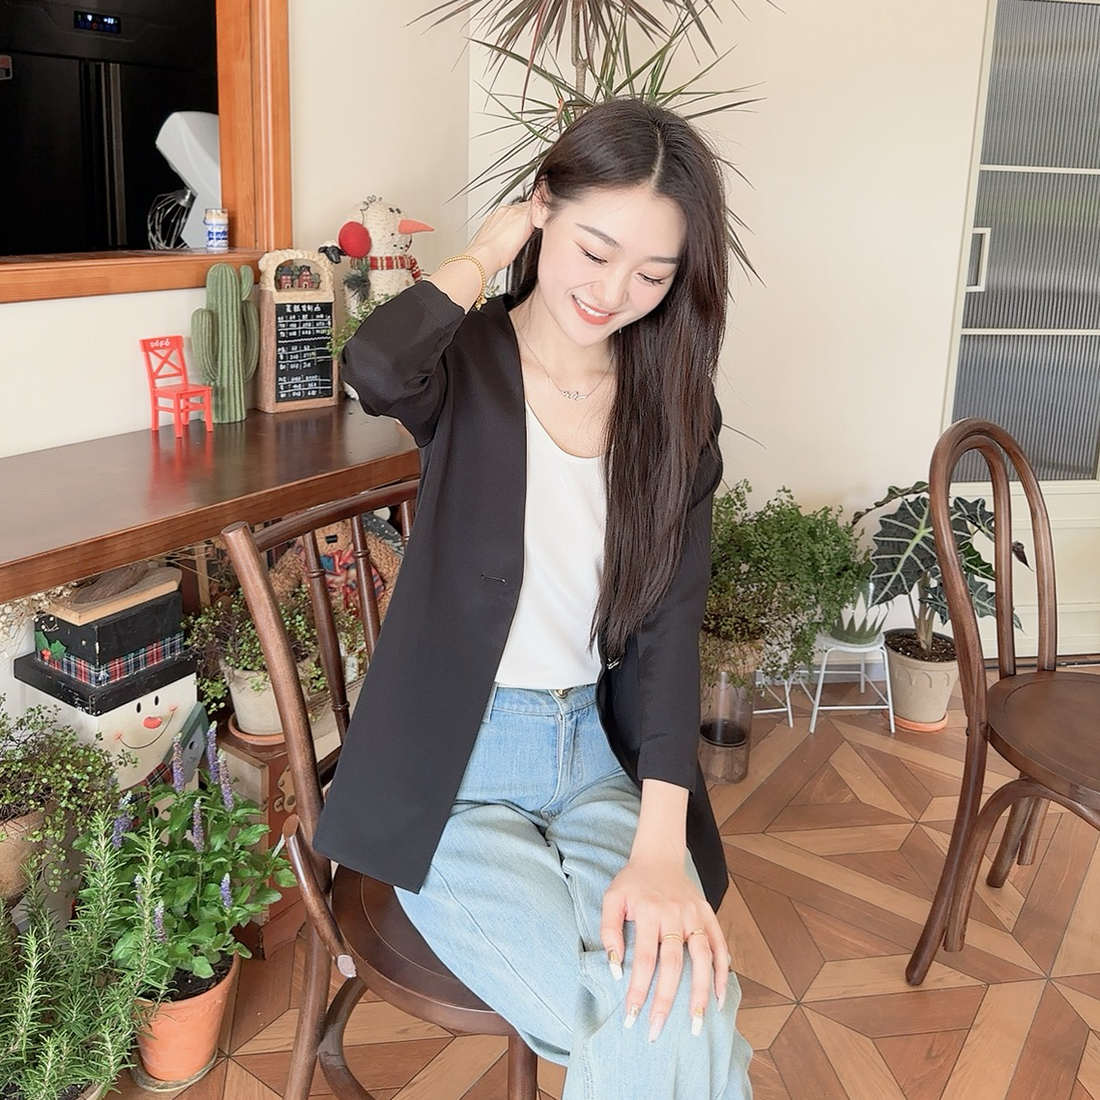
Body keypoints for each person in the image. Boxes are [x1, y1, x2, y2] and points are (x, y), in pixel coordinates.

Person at [314, 98, 753, 1099]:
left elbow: (670, 625)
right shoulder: (464, 364)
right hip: (452, 771)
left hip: (595, 757)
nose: (613, 292)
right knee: (671, 1013)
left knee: (667, 1002)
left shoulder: (674, 407)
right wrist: (488, 247)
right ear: (544, 208)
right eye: (594, 250)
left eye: (652, 274)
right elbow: (375, 364)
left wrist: (659, 847)